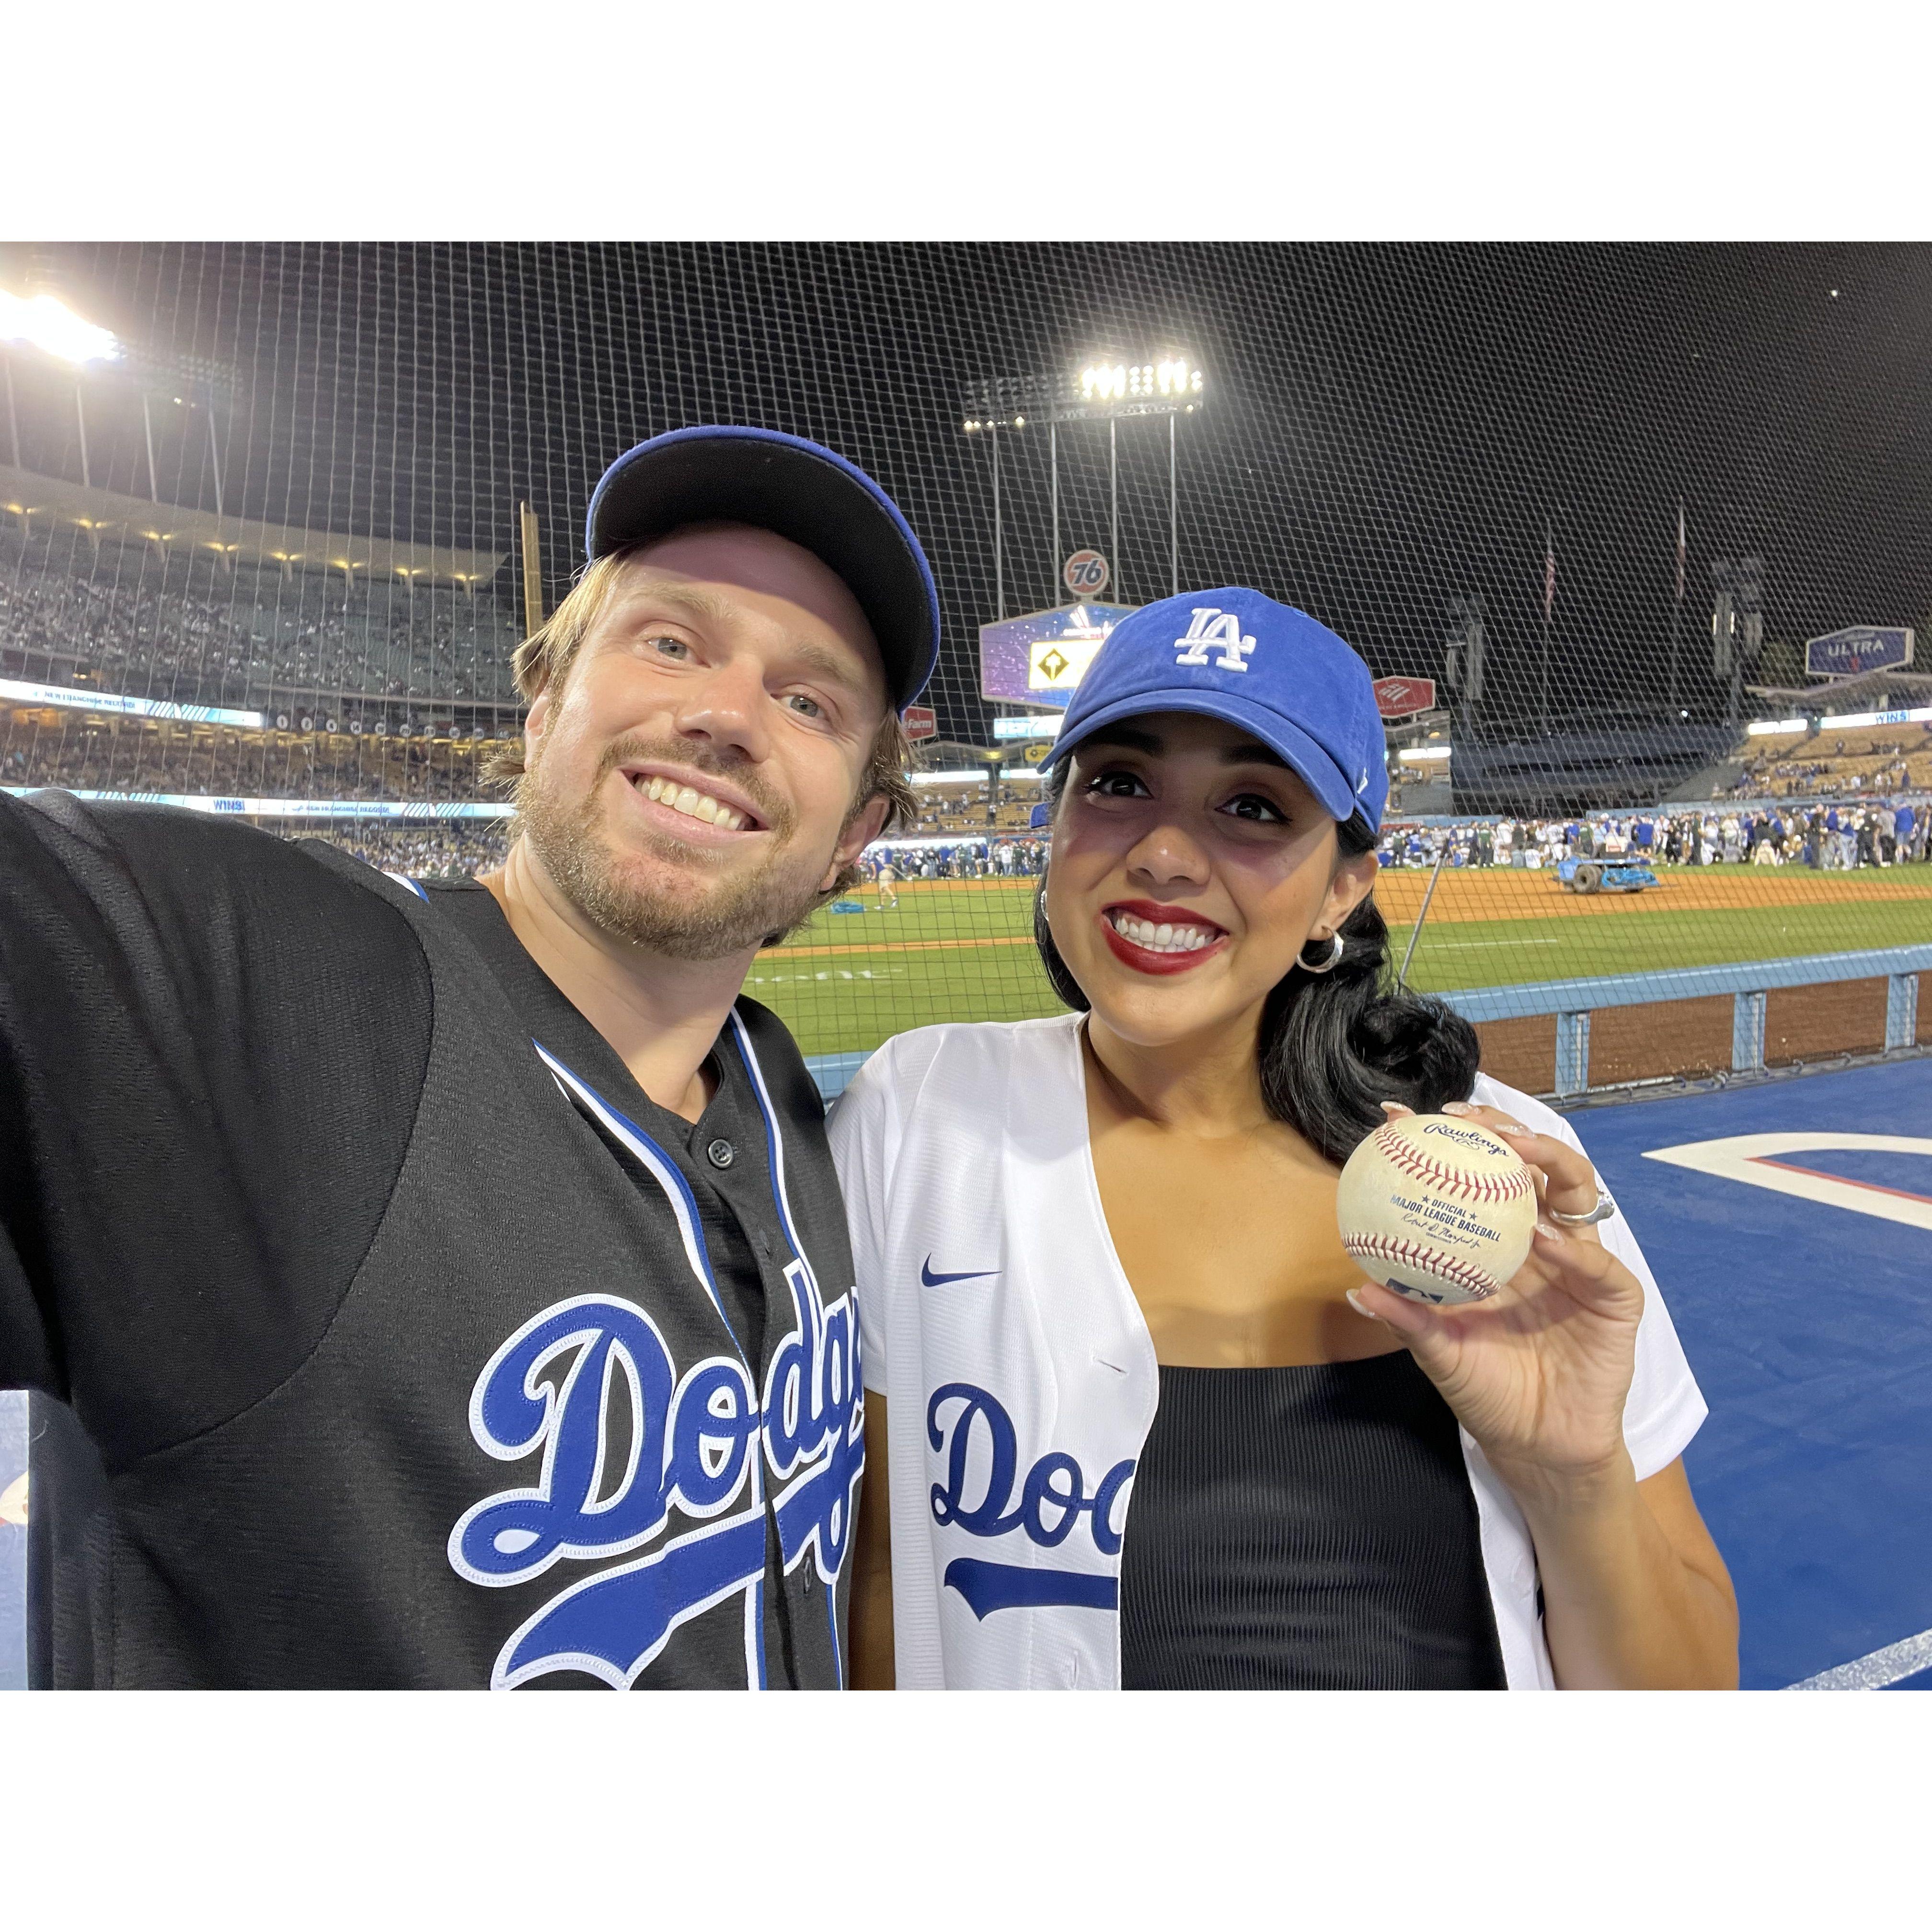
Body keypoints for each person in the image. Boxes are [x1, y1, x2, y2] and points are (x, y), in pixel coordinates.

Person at [0, 425, 935, 1689]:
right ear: (544, 704)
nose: (724, 714)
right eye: (669, 640)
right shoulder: (270, 1001)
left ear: (854, 836)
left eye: (810, 701)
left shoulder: (794, 1115)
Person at [831, 588, 1737, 1691]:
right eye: (1118, 784)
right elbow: (875, 1590)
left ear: (1342, 889)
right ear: (1057, 821)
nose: (1165, 853)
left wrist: (1572, 1475)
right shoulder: (922, 1118)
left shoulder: (1507, 1171)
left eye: (1254, 807)